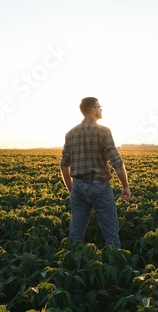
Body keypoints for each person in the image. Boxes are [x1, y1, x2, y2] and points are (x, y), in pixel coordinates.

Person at [60, 97, 131, 248]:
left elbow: (63, 164)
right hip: (100, 185)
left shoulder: (70, 134)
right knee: (111, 232)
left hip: (78, 186)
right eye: (99, 107)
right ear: (92, 110)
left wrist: (71, 189)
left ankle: (74, 267)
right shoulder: (103, 131)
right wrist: (125, 185)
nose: (101, 109)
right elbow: (116, 161)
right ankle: (115, 263)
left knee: (75, 234)